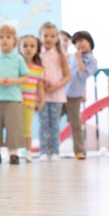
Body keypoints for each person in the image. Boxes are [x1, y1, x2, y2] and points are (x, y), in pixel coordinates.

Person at [0, 24, 29, 165]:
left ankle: (13, 154)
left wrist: (13, 81)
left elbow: (25, 77)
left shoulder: (18, 58)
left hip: (14, 99)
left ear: (14, 40)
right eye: (1, 37)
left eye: (8, 37)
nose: (4, 40)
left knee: (14, 127)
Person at [62, 31, 97, 160]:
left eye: (82, 40)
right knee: (52, 121)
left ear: (89, 42)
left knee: (75, 124)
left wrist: (78, 59)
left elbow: (83, 76)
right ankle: (49, 149)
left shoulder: (92, 61)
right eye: (76, 42)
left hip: (75, 96)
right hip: (61, 93)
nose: (79, 44)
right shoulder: (71, 56)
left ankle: (79, 150)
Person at [38, 22, 71, 161]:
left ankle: (56, 152)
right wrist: (43, 84)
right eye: (46, 35)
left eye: (52, 36)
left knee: (54, 124)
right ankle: (44, 152)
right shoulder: (38, 54)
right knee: (43, 124)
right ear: (40, 36)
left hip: (57, 95)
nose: (49, 39)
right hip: (42, 95)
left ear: (56, 38)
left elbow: (68, 76)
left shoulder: (60, 54)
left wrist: (56, 86)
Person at [18, 35, 45, 162]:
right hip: (16, 103)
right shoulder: (17, 67)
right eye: (25, 45)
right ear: (20, 48)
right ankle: (15, 151)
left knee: (27, 128)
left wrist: (42, 101)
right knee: (15, 128)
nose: (28, 49)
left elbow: (40, 87)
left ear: (37, 49)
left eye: (32, 46)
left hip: (29, 103)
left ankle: (28, 151)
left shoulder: (38, 69)